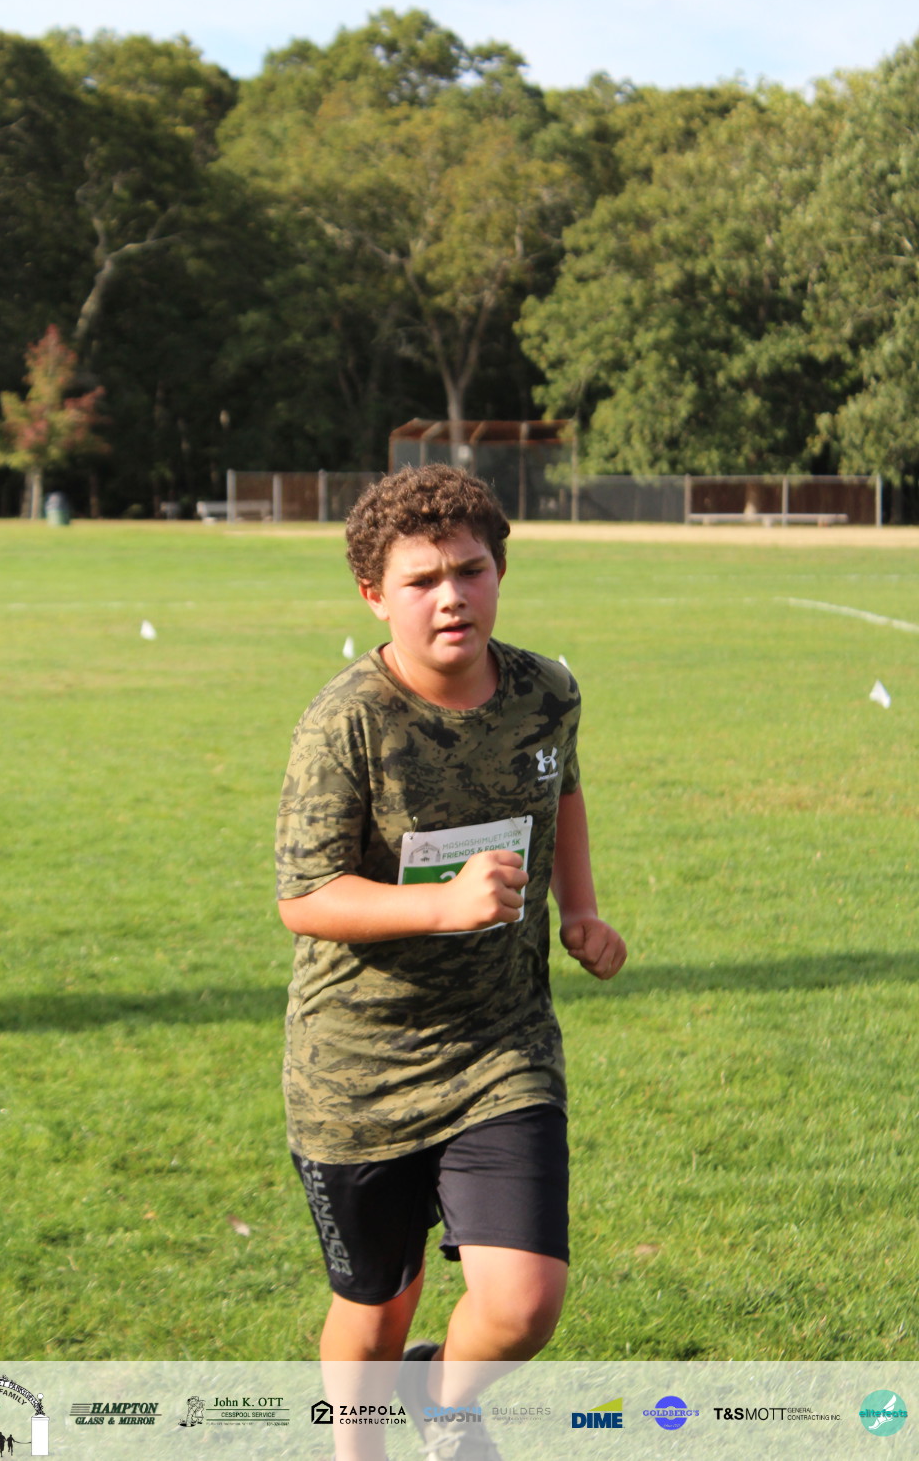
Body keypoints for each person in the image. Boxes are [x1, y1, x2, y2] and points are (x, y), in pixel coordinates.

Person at [275, 465, 626, 1461]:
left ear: (500, 572)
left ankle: (442, 1397)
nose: (451, 597)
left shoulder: (546, 691)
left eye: (470, 571)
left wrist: (580, 910)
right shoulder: (345, 722)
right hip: (359, 1068)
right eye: (422, 580)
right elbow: (305, 896)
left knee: (523, 1301)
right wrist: (441, 904)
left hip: (501, 1044)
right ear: (373, 595)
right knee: (376, 1309)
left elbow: (561, 790)